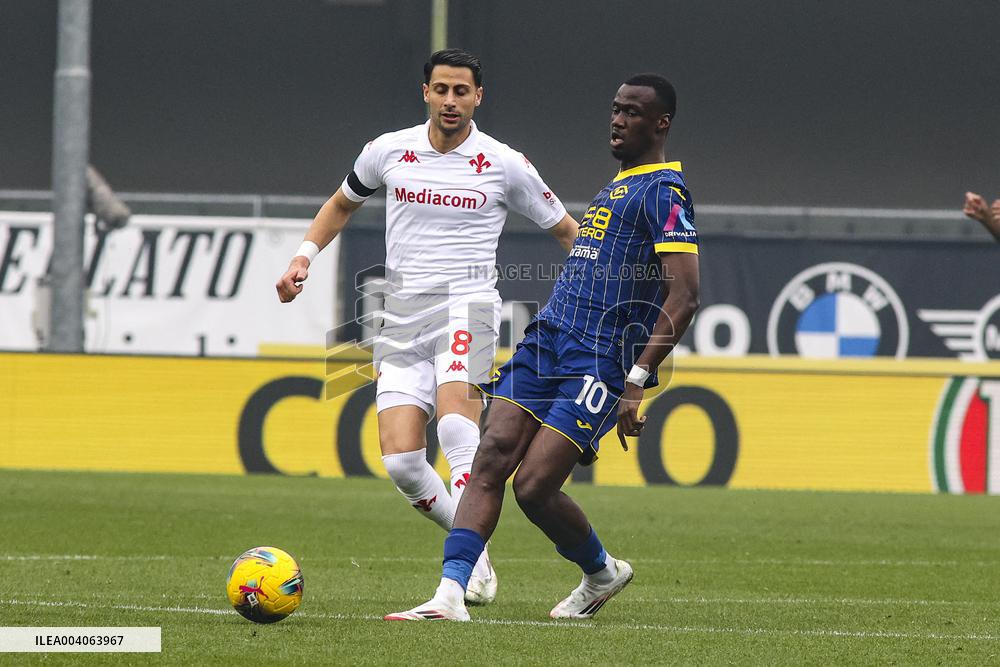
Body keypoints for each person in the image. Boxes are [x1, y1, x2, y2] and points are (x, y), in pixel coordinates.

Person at [385, 73, 700, 621]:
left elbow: (686, 294)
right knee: (489, 459)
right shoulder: (619, 185)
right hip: (547, 340)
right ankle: (451, 594)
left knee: (533, 488)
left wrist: (637, 379)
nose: (617, 120)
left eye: (631, 112)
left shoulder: (664, 193)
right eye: (615, 108)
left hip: (599, 359)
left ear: (661, 123)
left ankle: (602, 571)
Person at [275, 49, 579, 605]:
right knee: (402, 464)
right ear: (425, 93)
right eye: (441, 90)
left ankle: (455, 577)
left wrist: (597, 293)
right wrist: (303, 257)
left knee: (459, 429)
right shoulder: (387, 151)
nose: (450, 101)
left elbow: (565, 230)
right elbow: (341, 205)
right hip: (403, 314)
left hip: (470, 306)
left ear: (478, 98)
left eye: (461, 91)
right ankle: (477, 554)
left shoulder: (505, 163)